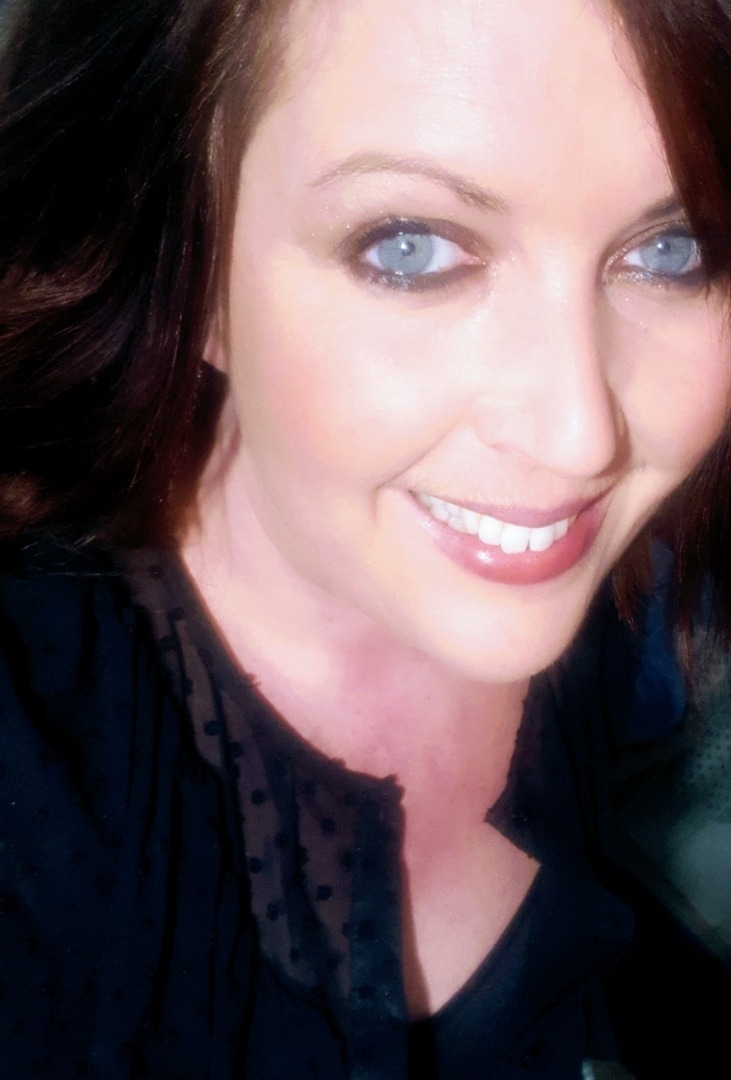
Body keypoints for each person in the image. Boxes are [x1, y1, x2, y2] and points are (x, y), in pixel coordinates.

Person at [1, 0, 731, 1076]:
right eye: (410, 247)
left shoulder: (587, 590)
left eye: (672, 249)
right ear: (184, 263)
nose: (579, 436)